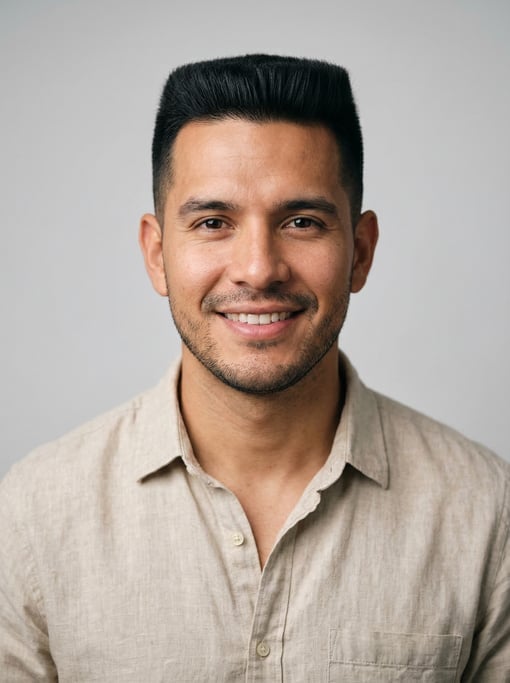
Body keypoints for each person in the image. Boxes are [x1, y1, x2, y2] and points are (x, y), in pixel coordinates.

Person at [0, 54, 508, 682]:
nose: (259, 267)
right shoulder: (33, 514)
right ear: (158, 255)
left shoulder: (486, 513)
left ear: (361, 251)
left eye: (302, 222)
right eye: (214, 222)